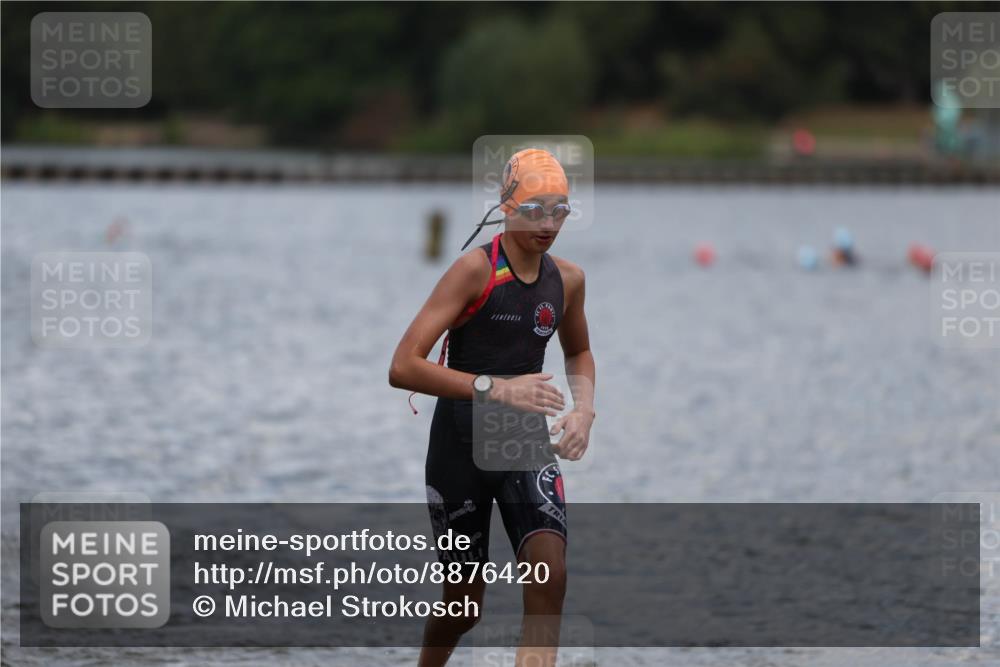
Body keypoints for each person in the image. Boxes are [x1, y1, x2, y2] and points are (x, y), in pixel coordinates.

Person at [389, 148, 596, 667]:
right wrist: (497, 389)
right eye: (536, 210)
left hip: (522, 441)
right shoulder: (474, 272)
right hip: (459, 447)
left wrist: (583, 410)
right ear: (507, 207)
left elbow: (579, 351)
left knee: (550, 577)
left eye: (560, 211)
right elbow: (403, 367)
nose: (548, 224)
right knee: (463, 607)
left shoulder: (567, 280)